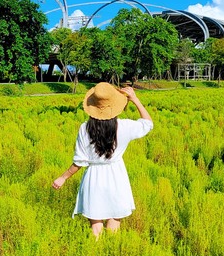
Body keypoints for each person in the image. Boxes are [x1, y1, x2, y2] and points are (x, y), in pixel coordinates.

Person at [52, 82, 153, 238]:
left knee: (96, 228)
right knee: (114, 224)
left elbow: (79, 162)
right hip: (116, 176)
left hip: (93, 178)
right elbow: (147, 124)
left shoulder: (84, 128)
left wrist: (63, 177)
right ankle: (110, 255)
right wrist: (135, 99)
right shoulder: (124, 126)